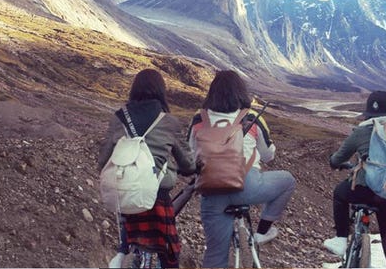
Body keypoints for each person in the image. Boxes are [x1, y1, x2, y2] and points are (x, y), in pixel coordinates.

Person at [188, 70, 296, 268]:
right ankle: (263, 231)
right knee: (288, 180)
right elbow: (268, 155)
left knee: (214, 255)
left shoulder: (198, 119)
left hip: (212, 194)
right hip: (247, 186)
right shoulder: (252, 117)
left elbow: (192, 153)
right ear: (241, 92)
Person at [97, 68, 197, 268]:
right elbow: (188, 164)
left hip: (124, 194)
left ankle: (123, 252)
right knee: (168, 256)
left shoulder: (119, 118)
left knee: (128, 241)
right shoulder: (168, 122)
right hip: (156, 197)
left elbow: (102, 162)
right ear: (161, 91)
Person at [324, 91, 386, 268]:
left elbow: (338, 159)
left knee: (340, 193)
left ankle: (340, 239)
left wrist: (335, 161)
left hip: (366, 191)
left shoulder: (362, 130)